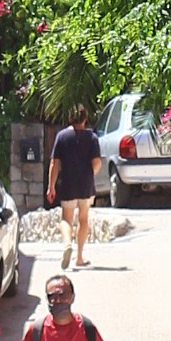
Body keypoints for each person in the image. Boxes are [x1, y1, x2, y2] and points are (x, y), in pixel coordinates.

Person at [46, 106, 103, 269]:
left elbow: (54, 163)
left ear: (71, 118)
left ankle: (66, 245)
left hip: (68, 183)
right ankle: (79, 257)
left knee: (66, 218)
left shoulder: (62, 137)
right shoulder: (92, 137)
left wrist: (51, 186)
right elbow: (97, 163)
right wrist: (91, 174)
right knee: (83, 219)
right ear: (85, 119)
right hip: (85, 184)